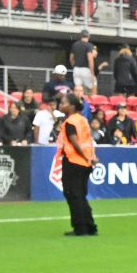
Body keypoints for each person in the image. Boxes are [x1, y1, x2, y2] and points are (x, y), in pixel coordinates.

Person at [56, 93, 99, 236]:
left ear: (72, 106)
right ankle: (90, 226)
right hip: (85, 164)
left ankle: (80, 228)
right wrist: (91, 158)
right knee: (81, 195)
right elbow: (88, 141)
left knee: (73, 196)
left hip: (74, 162)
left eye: (64, 103)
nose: (61, 105)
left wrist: (87, 157)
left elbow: (75, 143)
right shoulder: (83, 120)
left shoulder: (70, 122)